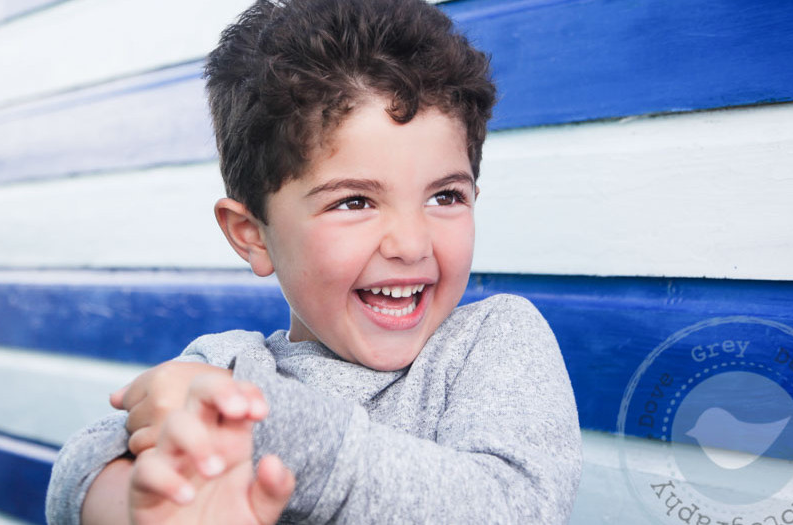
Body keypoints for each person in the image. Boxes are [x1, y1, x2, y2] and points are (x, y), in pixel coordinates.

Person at [46, 0, 582, 523]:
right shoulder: (227, 367)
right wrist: (142, 507)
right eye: (354, 202)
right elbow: (83, 467)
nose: (411, 243)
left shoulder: (491, 343)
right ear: (252, 235)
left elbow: (516, 507)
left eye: (445, 196)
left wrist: (264, 426)